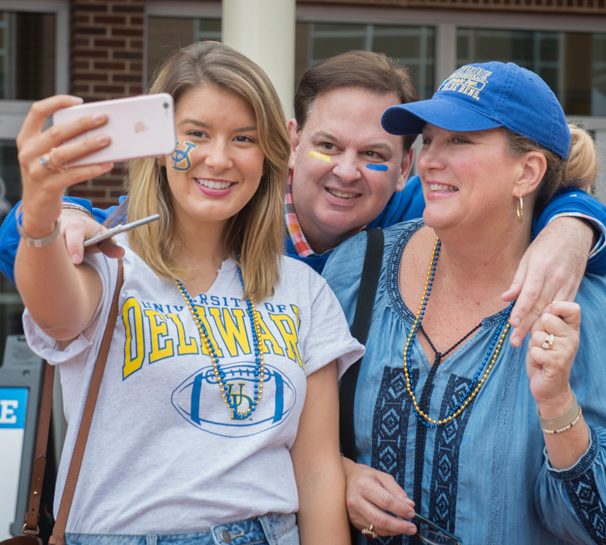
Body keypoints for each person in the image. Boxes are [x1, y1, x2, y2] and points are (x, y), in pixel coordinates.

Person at [1, 51, 605, 344]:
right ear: (290, 143)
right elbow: (22, 245)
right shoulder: (230, 209)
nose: (347, 172)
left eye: (374, 155)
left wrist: (571, 226)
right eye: (326, 146)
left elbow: (517, 202)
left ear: (406, 168)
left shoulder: (421, 214)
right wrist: (69, 215)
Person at [14, 41, 363, 545]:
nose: (218, 159)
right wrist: (42, 206)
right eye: (196, 134)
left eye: (243, 138)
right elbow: (56, 313)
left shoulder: (303, 288)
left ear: (268, 154)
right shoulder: (109, 264)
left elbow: (316, 472)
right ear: (159, 146)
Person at [323, 61, 606, 544]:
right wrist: (339, 475)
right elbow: (286, 436)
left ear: (528, 172)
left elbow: (590, 526)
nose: (431, 159)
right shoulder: (357, 267)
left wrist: (557, 403)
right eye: (429, 139)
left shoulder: (584, 312)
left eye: (460, 140)